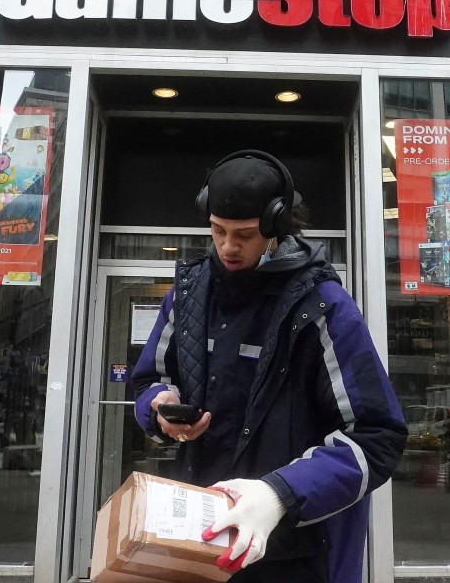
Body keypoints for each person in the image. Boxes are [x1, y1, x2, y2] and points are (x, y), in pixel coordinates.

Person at [131, 150, 406, 583]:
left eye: (244, 234)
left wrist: (279, 494)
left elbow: (378, 436)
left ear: (278, 228)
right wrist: (158, 407)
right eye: (218, 231)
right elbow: (149, 380)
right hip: (202, 539)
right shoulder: (188, 294)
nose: (227, 247)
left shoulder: (324, 306)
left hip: (296, 552)